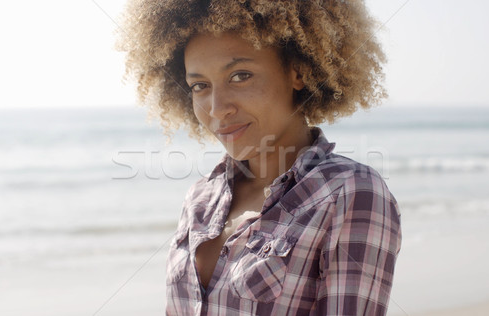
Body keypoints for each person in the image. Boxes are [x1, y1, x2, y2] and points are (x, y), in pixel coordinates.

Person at [117, 0, 401, 315]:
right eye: (199, 86)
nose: (216, 108)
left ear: (298, 72)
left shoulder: (349, 193)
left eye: (240, 76)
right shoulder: (199, 199)